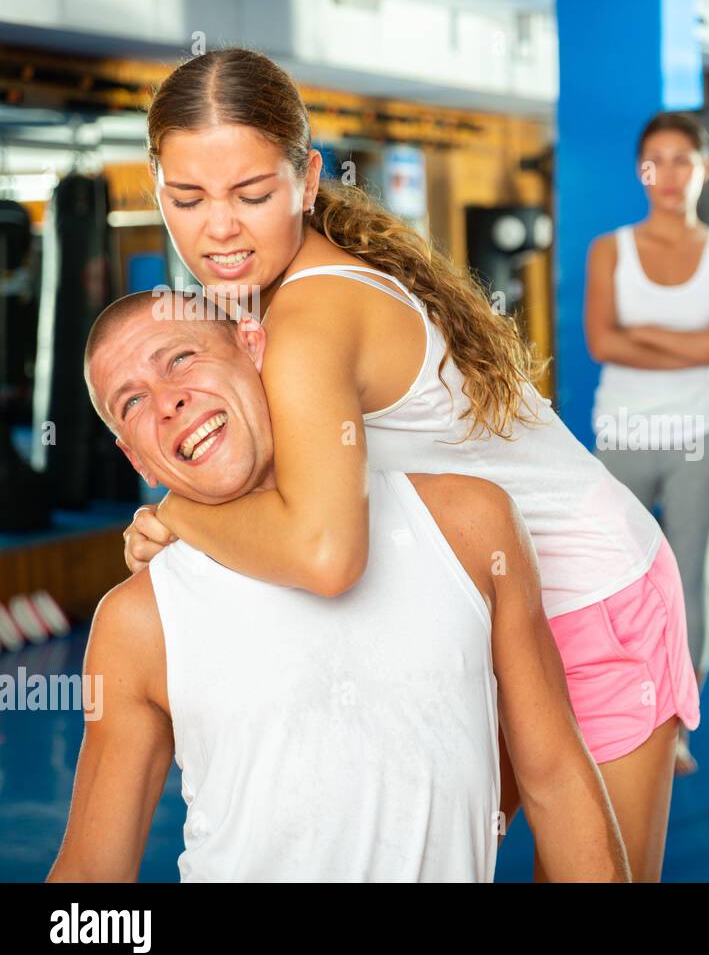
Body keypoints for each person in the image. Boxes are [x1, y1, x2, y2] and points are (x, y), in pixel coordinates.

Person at [121, 48, 695, 879]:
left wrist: (179, 513)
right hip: (489, 601)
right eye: (187, 196)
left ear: (308, 179)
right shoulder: (285, 291)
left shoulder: (312, 318)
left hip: (596, 595)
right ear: (155, 185)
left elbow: (326, 551)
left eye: (252, 194)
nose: (219, 227)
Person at [49, 290, 628, 882]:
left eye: (180, 359)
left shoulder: (470, 524)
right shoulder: (139, 620)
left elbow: (555, 778)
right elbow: (90, 876)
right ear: (136, 458)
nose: (167, 401)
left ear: (254, 348)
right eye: (133, 401)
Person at [584, 111, 709, 776]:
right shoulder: (610, 250)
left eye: (685, 159)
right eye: (657, 159)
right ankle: (616, 715)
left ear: (704, 168)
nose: (671, 174)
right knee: (610, 582)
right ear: (640, 170)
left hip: (698, 439)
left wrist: (643, 330)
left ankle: (677, 725)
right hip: (622, 433)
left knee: (687, 588)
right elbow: (602, 340)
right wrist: (691, 339)